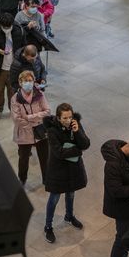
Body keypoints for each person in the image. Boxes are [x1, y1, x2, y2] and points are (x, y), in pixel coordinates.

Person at [42, 103, 90, 243]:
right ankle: (48, 226)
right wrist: (77, 150)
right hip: (58, 170)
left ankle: (69, 216)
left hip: (73, 169)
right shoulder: (51, 131)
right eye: (64, 118)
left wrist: (77, 132)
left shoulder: (76, 125)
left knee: (71, 193)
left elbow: (86, 144)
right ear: (58, 117)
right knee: (54, 198)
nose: (68, 120)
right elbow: (59, 153)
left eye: (70, 117)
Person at [11, 70, 51, 187]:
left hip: (41, 132)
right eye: (25, 81)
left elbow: (47, 112)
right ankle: (22, 180)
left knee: (45, 157)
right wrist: (36, 121)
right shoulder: (15, 99)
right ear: (20, 82)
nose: (28, 83)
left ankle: (46, 179)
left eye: (30, 80)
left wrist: (29, 117)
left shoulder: (39, 95)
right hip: (24, 134)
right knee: (23, 159)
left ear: (34, 82)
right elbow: (17, 119)